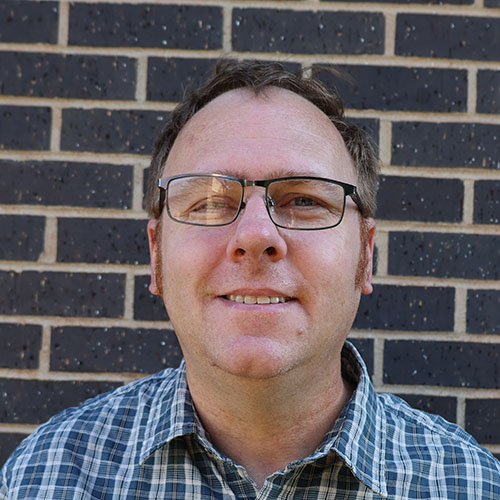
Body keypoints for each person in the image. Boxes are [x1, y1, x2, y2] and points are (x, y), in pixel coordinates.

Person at [1, 60, 499, 499]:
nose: (256, 235)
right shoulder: (46, 477)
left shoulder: (470, 485)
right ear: (156, 256)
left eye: (305, 200)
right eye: (210, 201)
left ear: (365, 255)